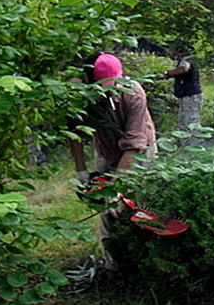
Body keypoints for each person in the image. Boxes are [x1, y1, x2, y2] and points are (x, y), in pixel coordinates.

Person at [68, 51, 156, 273]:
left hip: (140, 150)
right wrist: (82, 174)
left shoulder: (134, 92)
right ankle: (113, 265)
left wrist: (116, 188)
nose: (110, 89)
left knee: (130, 203)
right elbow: (74, 134)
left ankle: (142, 259)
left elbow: (135, 143)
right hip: (106, 150)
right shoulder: (77, 95)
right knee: (105, 209)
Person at [162, 44, 203, 146]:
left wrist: (168, 73)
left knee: (191, 121)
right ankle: (186, 145)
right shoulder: (189, 59)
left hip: (191, 95)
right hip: (187, 95)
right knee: (184, 121)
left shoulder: (186, 60)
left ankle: (196, 146)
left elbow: (184, 69)